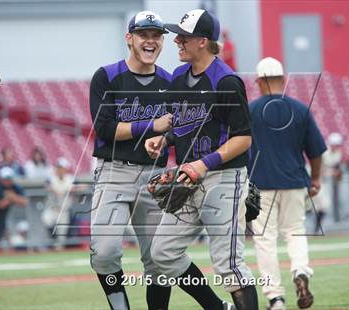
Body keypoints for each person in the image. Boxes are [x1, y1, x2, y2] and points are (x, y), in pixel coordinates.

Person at [145, 9, 258, 310]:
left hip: (223, 176)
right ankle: (216, 307)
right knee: (163, 252)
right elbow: (182, 124)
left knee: (228, 265)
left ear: (203, 42)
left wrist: (203, 164)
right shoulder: (180, 77)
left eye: (184, 36)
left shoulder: (227, 81)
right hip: (188, 176)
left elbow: (244, 138)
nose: (177, 41)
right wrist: (164, 139)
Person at [89, 11, 173, 310]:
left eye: (156, 36)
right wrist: (152, 127)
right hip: (114, 172)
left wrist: (165, 139)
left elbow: (178, 130)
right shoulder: (107, 76)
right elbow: (105, 129)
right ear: (129, 38)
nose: (150, 41)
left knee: (160, 259)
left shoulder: (170, 81)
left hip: (155, 175)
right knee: (104, 252)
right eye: (143, 35)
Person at [248, 57, 327, 310]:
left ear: (259, 82)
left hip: (260, 183)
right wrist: (315, 178)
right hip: (294, 182)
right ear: (283, 79)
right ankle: (300, 271)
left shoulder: (249, 111)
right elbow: (316, 151)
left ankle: (275, 297)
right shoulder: (301, 109)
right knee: (295, 231)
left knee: (265, 240)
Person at [0, 167, 27, 248]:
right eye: (5, 179)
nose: (7, 181)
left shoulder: (16, 187)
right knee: (1, 235)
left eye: (9, 178)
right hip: (0, 216)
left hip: (16, 217)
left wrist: (11, 196)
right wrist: (12, 198)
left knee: (22, 230)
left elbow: (24, 201)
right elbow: (1, 204)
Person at [312, 132, 343, 232]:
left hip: (323, 182)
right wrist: (331, 173)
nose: (336, 146)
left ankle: (317, 228)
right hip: (315, 179)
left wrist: (336, 174)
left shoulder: (338, 154)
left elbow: (337, 170)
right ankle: (317, 228)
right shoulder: (324, 153)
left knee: (322, 206)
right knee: (321, 205)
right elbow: (318, 168)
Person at [42, 157, 74, 249]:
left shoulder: (69, 178)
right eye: (59, 167)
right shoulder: (52, 178)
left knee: (61, 237)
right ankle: (50, 242)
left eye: (62, 168)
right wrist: (55, 190)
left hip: (64, 210)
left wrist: (70, 190)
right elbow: (45, 184)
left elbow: (81, 186)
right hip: (52, 208)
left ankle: (59, 252)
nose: (60, 170)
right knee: (46, 220)